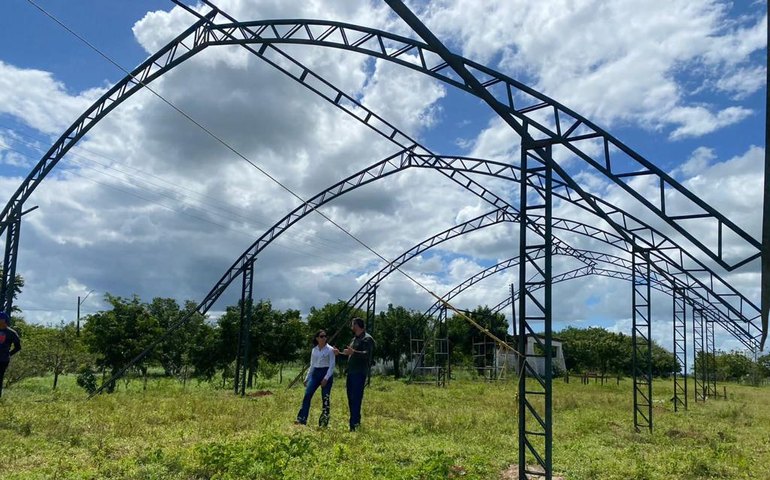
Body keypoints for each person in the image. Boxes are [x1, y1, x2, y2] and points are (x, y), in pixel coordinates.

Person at [335, 317, 375, 431]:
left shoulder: (367, 339)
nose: (351, 326)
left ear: (357, 325)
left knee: (356, 398)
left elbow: (367, 354)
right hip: (351, 373)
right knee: (351, 399)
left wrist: (354, 352)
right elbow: (350, 355)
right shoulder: (354, 339)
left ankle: (355, 426)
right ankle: (353, 423)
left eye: (352, 324)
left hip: (359, 373)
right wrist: (340, 353)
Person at [295, 330, 335, 427]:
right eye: (321, 336)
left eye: (325, 336)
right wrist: (307, 378)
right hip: (316, 373)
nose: (324, 338)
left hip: (326, 373)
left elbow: (332, 366)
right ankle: (302, 419)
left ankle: (324, 422)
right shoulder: (314, 350)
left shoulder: (330, 350)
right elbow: (312, 365)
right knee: (307, 395)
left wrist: (326, 378)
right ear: (317, 338)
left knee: (325, 398)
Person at [0, 311, 21, 398]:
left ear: (4, 320)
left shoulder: (12, 333)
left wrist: (9, 354)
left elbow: (18, 347)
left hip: (3, 360)